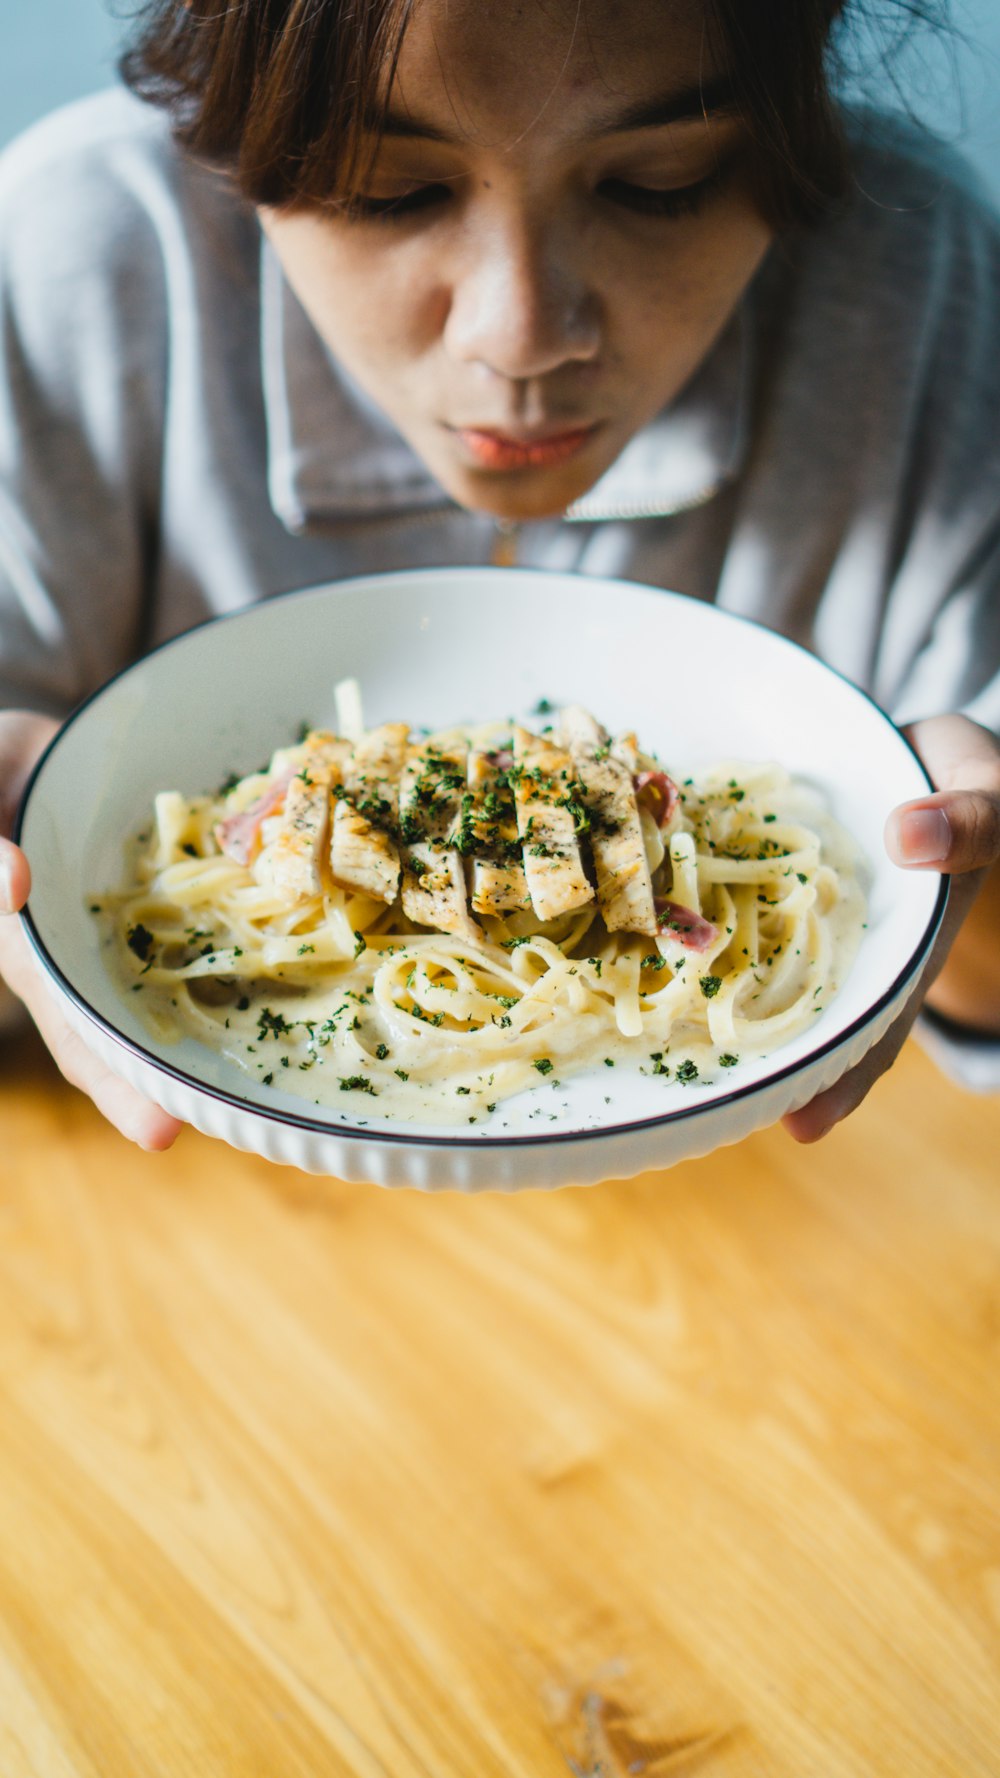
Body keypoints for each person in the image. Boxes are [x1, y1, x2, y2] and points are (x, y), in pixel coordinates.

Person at [0, 0, 998, 1151]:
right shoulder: (73, 258)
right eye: (388, 189)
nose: (519, 333)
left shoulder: (917, 283)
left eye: (659, 181)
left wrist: (958, 895)